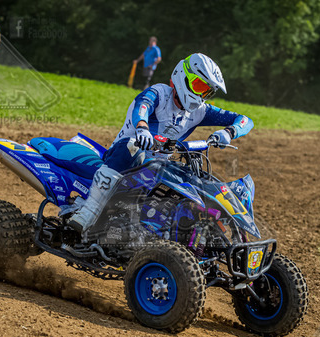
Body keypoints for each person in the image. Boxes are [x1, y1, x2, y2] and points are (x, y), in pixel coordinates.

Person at [67, 53, 254, 233]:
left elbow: (245, 120)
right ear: (183, 77)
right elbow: (142, 105)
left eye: (207, 91)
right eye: (198, 86)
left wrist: (229, 131)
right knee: (132, 147)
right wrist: (142, 128)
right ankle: (88, 211)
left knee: (192, 177)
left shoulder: (200, 111)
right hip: (125, 158)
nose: (201, 95)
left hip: (157, 167)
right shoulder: (160, 93)